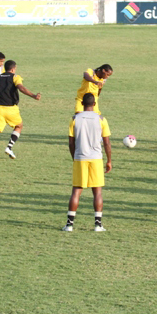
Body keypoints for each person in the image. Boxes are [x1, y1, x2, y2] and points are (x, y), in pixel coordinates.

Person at [63, 93, 112, 232]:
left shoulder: (74, 119)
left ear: (82, 104)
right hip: (96, 158)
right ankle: (98, 225)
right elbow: (107, 143)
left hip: (80, 158)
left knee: (76, 191)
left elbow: (71, 143)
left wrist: (75, 158)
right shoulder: (101, 119)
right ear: (94, 104)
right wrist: (109, 160)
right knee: (97, 192)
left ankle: (69, 225)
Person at [0, 60, 41, 160]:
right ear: (13, 69)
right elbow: (21, 88)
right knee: (19, 126)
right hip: (11, 108)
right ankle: (9, 147)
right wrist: (33, 96)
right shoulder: (15, 77)